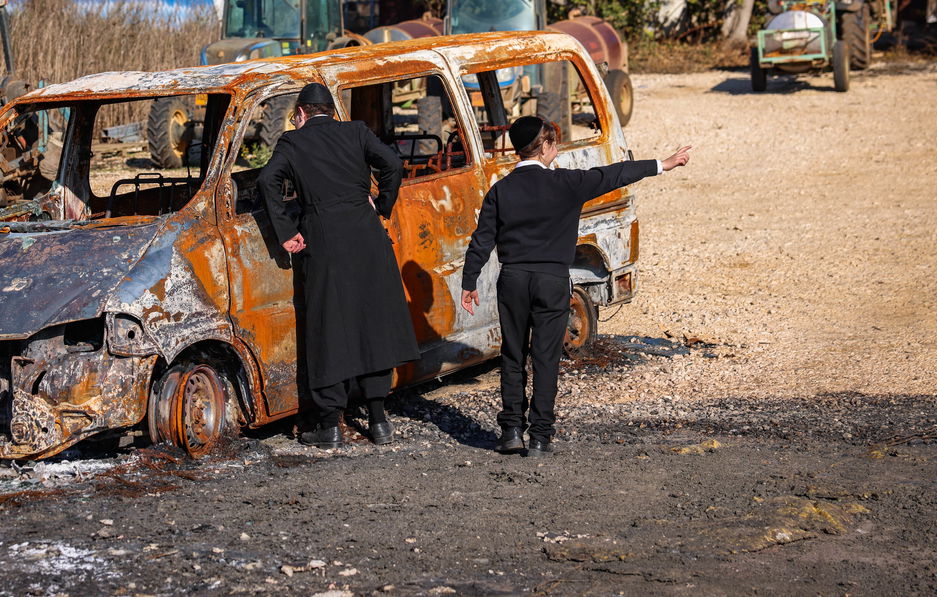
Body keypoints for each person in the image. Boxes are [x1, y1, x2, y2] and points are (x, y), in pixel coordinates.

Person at [460, 115, 691, 455]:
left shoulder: (500, 191)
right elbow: (613, 174)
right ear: (547, 147)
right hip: (551, 279)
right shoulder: (567, 184)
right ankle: (539, 436)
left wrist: (470, 282)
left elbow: (481, 241)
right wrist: (663, 164)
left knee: (512, 354)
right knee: (545, 358)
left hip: (513, 279)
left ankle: (510, 431)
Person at [258, 82, 420, 449]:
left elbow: (268, 180)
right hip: (367, 236)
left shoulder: (292, 142)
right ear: (331, 111)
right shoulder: (356, 131)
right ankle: (379, 421)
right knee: (372, 321)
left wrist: (285, 232)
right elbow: (393, 164)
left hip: (323, 240)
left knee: (329, 326)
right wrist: (382, 204)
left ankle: (329, 426)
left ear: (300, 114)